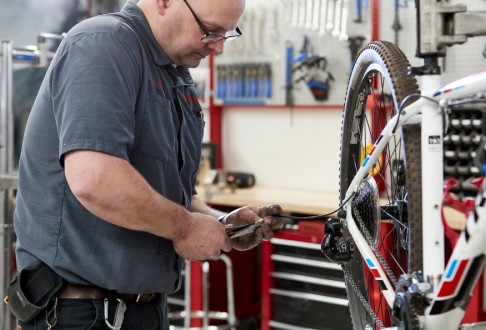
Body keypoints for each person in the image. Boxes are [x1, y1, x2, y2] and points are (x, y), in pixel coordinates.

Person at [11, 0, 283, 328]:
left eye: (227, 35)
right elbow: (95, 179)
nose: (219, 48)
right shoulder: (103, 46)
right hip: (80, 313)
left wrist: (221, 223)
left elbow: (161, 189)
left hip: (142, 311)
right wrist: (184, 227)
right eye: (210, 32)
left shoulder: (174, 74)